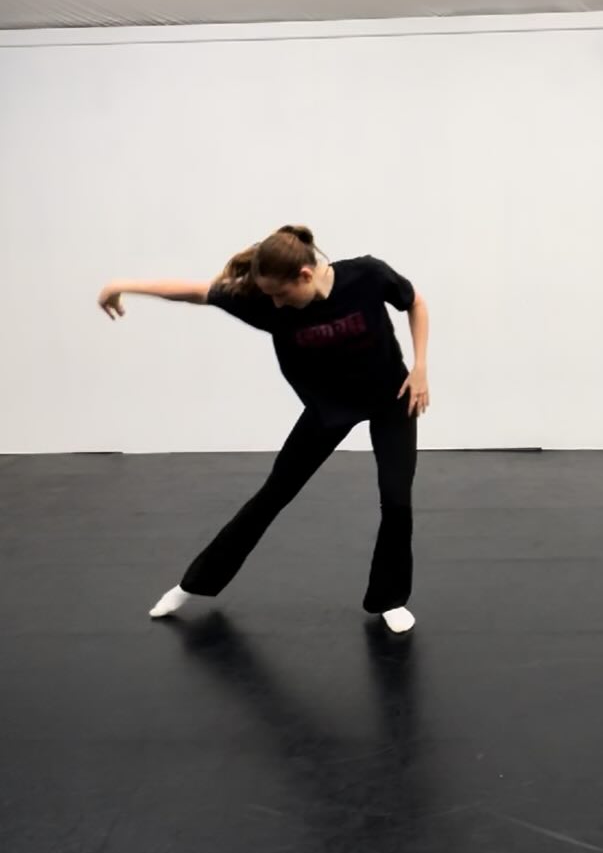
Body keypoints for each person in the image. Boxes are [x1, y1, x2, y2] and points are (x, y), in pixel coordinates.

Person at [97, 224, 429, 635]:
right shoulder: (268, 304)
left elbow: (415, 303)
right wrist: (122, 284)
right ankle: (193, 584)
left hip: (392, 398)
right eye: (268, 293)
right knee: (273, 495)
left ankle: (390, 599)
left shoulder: (367, 275)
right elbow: (195, 292)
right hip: (329, 409)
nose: (274, 302)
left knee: (397, 502)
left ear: (305, 275)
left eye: (280, 293)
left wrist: (420, 369)